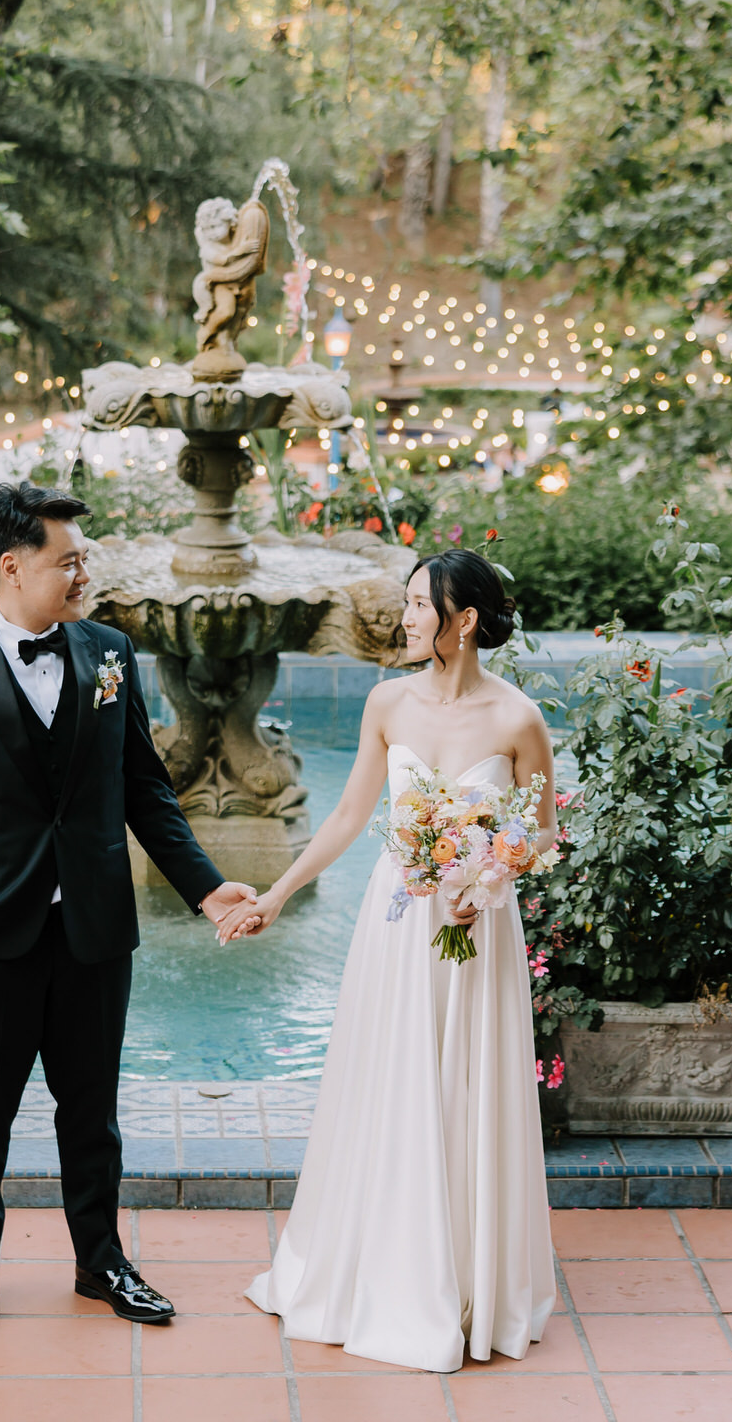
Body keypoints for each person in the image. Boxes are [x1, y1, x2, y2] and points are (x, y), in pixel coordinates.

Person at [0, 481, 263, 1345]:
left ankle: (101, 1261)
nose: (82, 571)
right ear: (13, 567)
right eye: (69, 559)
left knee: (90, 1112)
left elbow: (146, 790)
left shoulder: (109, 655)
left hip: (94, 929)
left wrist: (207, 889)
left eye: (82, 557)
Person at [229, 547, 558, 1373]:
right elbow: (346, 817)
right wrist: (277, 892)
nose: (406, 618)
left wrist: (487, 878)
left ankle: (471, 1279)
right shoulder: (387, 702)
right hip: (398, 924)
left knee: (466, 1089)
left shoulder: (518, 718)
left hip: (476, 930)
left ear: (465, 619)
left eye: (419, 604)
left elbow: (544, 829)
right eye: (408, 604)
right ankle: (382, 1269)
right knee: (393, 1083)